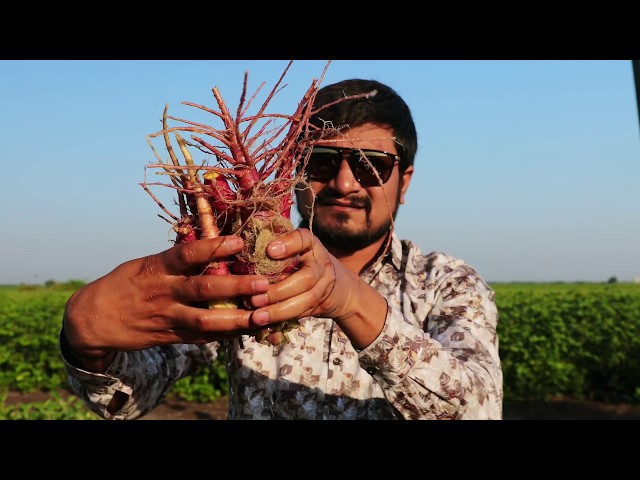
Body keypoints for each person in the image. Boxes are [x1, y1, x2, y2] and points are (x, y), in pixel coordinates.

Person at [60, 78, 503, 420]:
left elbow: (478, 409)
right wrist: (88, 347)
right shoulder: (239, 273)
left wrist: (350, 301)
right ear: (295, 173)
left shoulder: (445, 284)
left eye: (372, 167)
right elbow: (128, 399)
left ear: (403, 182)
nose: (344, 183)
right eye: (322, 162)